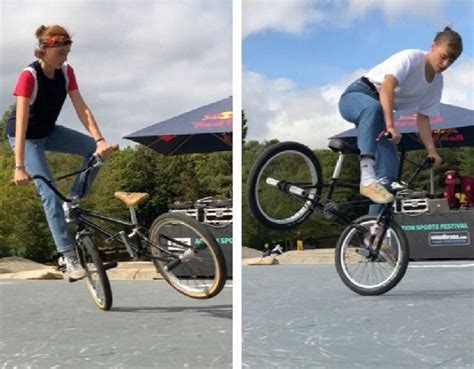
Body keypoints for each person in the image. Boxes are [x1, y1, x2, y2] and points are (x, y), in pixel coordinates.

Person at [8, 25, 117, 280]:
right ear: (44, 50)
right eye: (60, 52)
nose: (65, 57)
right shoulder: (29, 75)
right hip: (26, 137)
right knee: (49, 195)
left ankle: (74, 199)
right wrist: (20, 166)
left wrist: (99, 140)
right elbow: (22, 120)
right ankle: (68, 256)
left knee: (93, 151)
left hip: (50, 131)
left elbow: (82, 108)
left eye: (67, 51)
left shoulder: (67, 73)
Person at [338, 26, 463, 205]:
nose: (445, 65)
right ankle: (366, 176)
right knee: (373, 109)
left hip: (379, 114)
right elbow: (387, 88)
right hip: (356, 96)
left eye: (451, 61)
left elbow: (423, 118)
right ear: (433, 46)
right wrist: (390, 126)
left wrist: (432, 151)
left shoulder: (436, 83)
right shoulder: (411, 58)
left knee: (388, 178)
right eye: (444, 57)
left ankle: (374, 230)